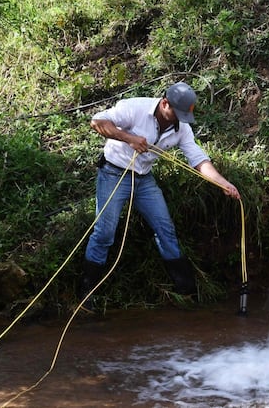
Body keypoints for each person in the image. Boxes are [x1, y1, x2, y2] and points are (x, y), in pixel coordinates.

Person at [80, 82, 241, 303]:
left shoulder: (182, 127)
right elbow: (97, 122)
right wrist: (130, 139)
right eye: (179, 113)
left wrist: (223, 183)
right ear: (165, 103)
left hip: (143, 180)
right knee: (105, 233)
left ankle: (187, 292)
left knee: (166, 229)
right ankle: (87, 295)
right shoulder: (134, 108)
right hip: (113, 174)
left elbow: (198, 159)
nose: (181, 119)